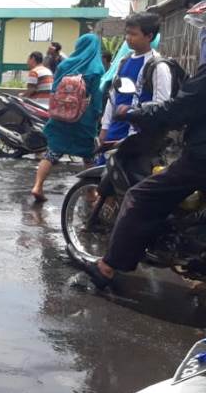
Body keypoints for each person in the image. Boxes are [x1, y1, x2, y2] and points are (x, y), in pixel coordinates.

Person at [82, 49, 206, 289]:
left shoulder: (159, 66)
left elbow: (176, 108)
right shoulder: (130, 63)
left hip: (199, 156)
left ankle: (106, 268)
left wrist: (135, 113)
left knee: (141, 196)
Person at [30, 33, 106, 202]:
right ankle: (90, 193)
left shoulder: (66, 64)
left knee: (52, 153)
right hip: (83, 118)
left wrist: (55, 110)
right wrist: (97, 115)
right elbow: (97, 96)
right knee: (88, 156)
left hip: (61, 115)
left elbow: (54, 90)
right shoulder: (96, 67)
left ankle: (37, 186)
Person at [98, 13, 172, 151]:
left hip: (139, 136)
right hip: (115, 131)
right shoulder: (123, 61)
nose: (128, 38)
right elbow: (113, 97)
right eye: (127, 33)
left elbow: (161, 104)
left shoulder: (158, 66)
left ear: (149, 36)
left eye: (134, 34)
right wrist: (105, 127)